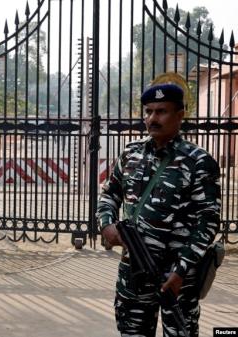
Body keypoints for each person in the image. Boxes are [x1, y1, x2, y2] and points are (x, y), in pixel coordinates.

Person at [96, 83, 221, 336]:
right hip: (133, 273)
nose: (152, 118)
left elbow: (207, 223)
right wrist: (107, 224)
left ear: (180, 115)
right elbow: (109, 194)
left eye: (161, 111)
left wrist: (181, 271)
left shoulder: (199, 162)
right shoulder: (130, 154)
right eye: (149, 111)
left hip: (176, 279)